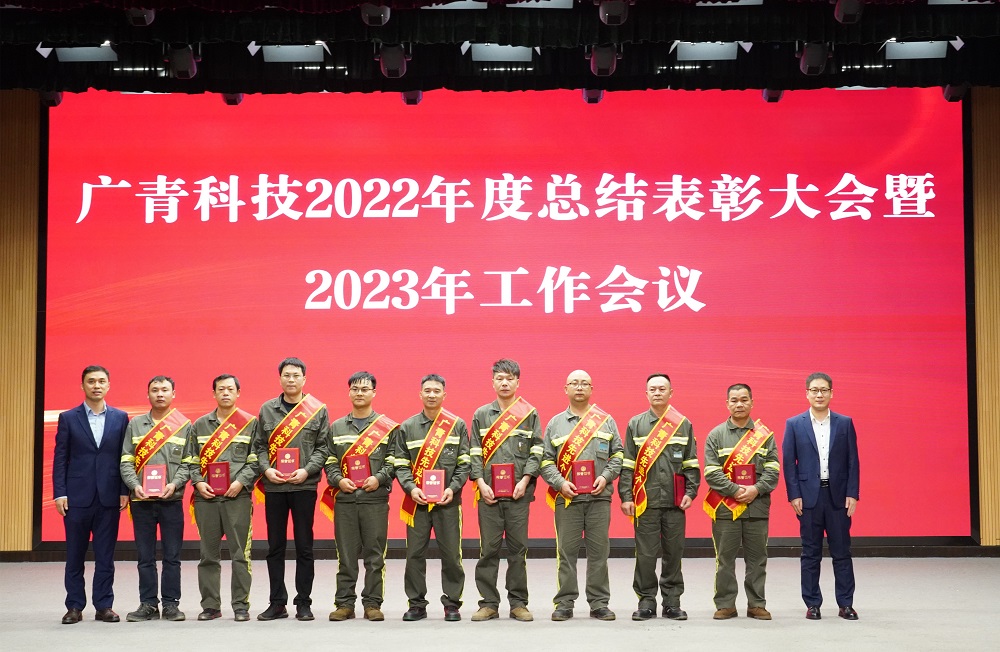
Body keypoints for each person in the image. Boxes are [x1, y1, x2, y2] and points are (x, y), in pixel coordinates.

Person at [540, 369, 623, 622]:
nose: (579, 387)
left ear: (591, 389)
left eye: (584, 383)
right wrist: (560, 483)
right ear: (565, 388)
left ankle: (599, 603)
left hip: (599, 498)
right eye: (574, 383)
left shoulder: (606, 420)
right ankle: (564, 603)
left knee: (599, 553)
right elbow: (546, 461)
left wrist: (605, 476)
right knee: (566, 553)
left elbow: (618, 455)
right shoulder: (555, 423)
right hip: (567, 499)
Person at [253, 357, 330, 622]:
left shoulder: (317, 410)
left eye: (296, 375)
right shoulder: (267, 409)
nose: (291, 379)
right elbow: (260, 446)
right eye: (286, 375)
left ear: (304, 379)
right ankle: (277, 603)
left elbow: (323, 448)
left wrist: (306, 470)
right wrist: (266, 470)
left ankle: (303, 603)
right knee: (275, 546)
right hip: (274, 487)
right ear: (280, 378)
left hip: (304, 485)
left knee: (304, 546)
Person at [619, 373, 700, 621]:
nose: (657, 393)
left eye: (662, 389)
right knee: (645, 554)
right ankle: (646, 601)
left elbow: (691, 463)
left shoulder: (683, 424)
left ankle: (672, 603)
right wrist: (626, 496)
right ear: (646, 394)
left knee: (674, 553)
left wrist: (691, 492)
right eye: (652, 389)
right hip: (646, 501)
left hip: (675, 502)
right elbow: (628, 464)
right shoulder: (635, 424)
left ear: (671, 393)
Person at [53, 365, 130, 624]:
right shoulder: (68, 418)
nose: (96, 385)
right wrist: (60, 493)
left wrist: (124, 490)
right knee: (75, 555)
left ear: (108, 385)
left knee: (105, 556)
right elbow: (61, 458)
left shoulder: (121, 418)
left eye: (101, 381)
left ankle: (104, 605)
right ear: (82, 385)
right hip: (76, 497)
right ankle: (74, 606)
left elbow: (124, 458)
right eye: (91, 381)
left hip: (109, 496)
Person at [782, 372, 860, 621]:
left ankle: (845, 604)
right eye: (814, 390)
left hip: (838, 497)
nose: (819, 394)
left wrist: (852, 493)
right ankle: (812, 603)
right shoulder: (794, 424)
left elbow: (853, 461)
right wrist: (793, 494)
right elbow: (789, 463)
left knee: (842, 552)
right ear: (807, 393)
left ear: (831, 393)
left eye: (824, 390)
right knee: (810, 553)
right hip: (808, 498)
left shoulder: (844, 423)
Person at [469, 359, 543, 622]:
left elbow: (537, 450)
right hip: (488, 494)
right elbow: (474, 452)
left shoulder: (529, 413)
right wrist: (480, 483)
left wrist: (525, 480)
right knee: (488, 550)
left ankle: (518, 603)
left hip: (518, 495)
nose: (504, 383)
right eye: (500, 378)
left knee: (517, 550)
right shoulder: (481, 415)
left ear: (517, 382)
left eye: (509, 378)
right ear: (493, 382)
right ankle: (488, 603)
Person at [393, 374, 471, 622]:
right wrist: (411, 488)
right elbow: (401, 464)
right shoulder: (407, 427)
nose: (432, 395)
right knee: (414, 554)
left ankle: (452, 604)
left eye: (437, 391)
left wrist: (453, 488)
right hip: (417, 503)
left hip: (448, 503)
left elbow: (465, 463)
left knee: (451, 555)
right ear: (420, 394)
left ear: (444, 395)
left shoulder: (457, 425)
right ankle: (416, 604)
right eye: (427, 390)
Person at [323, 371, 398, 623]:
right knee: (345, 556)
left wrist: (379, 478)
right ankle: (344, 604)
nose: (359, 393)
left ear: (374, 393)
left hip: (374, 500)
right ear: (349, 392)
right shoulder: (337, 427)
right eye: (355, 389)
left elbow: (393, 461)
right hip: (345, 501)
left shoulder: (387, 428)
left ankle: (372, 604)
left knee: (375, 556)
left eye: (365, 389)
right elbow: (330, 460)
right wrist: (337, 480)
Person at [185, 374, 260, 622]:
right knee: (208, 555)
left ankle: (241, 605)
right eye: (220, 389)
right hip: (206, 499)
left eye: (230, 389)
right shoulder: (199, 425)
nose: (225, 393)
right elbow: (191, 460)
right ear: (214, 394)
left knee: (240, 554)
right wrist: (199, 482)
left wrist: (241, 482)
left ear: (238, 393)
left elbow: (256, 459)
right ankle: (210, 606)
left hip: (237, 497)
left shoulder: (250, 423)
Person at [703, 383, 780, 621]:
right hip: (726, 508)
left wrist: (756, 489)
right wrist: (736, 490)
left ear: (752, 403)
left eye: (744, 400)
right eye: (734, 400)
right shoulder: (716, 435)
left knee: (757, 560)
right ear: (727, 404)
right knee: (725, 560)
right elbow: (711, 472)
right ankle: (726, 604)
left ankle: (756, 604)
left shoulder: (765, 436)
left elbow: (773, 471)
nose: (739, 404)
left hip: (757, 507)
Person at [120, 375, 192, 622]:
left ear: (173, 394)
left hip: (171, 500)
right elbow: (126, 460)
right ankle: (148, 603)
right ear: (148, 394)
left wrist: (174, 484)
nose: (160, 394)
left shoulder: (184, 425)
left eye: (164, 390)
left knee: (172, 556)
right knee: (145, 557)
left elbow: (188, 462)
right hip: (141, 502)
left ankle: (171, 604)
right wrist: (134, 485)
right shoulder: (135, 424)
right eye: (155, 390)